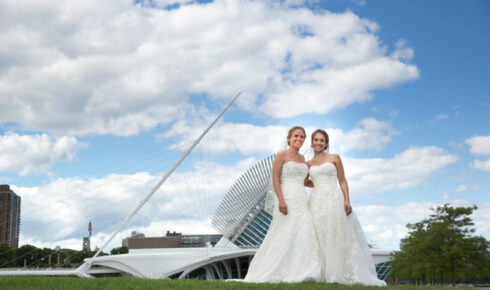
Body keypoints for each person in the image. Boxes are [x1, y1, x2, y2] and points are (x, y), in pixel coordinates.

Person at [307, 129, 386, 286]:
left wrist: (347, 200)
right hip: (317, 200)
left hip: (335, 198)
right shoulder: (308, 164)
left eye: (321, 140)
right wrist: (318, 185)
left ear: (326, 143)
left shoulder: (335, 158)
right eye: (316, 140)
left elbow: (342, 180)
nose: (318, 143)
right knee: (319, 234)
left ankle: (341, 272)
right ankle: (322, 272)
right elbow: (304, 181)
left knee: (337, 233)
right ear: (311, 142)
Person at [244, 126, 322, 283]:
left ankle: (301, 270)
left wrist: (322, 183)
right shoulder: (281, 155)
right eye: (296, 136)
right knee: (283, 233)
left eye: (302, 137)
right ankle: (272, 270)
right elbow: (275, 179)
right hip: (286, 198)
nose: (299, 139)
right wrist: (281, 200)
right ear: (289, 138)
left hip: (301, 199)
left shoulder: (303, 160)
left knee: (304, 232)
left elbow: (305, 181)